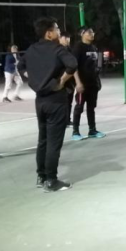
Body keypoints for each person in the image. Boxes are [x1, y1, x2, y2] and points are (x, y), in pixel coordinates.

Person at [18, 17, 80, 192]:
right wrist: (61, 81)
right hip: (56, 100)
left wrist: (34, 79)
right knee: (54, 142)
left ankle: (41, 176)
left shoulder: (31, 49)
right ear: (49, 33)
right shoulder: (57, 49)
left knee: (43, 140)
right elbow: (73, 64)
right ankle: (51, 180)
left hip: (40, 101)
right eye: (57, 28)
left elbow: (20, 66)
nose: (59, 31)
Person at [71, 26, 105, 140]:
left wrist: (97, 81)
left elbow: (94, 65)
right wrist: (78, 82)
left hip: (93, 84)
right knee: (79, 107)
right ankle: (75, 132)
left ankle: (92, 130)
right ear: (82, 34)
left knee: (91, 108)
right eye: (89, 32)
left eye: (92, 32)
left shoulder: (93, 47)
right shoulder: (78, 47)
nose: (92, 34)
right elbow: (73, 67)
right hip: (83, 84)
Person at [59, 31, 75, 126]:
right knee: (61, 101)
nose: (67, 41)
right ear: (60, 38)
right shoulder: (57, 50)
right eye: (65, 38)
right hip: (61, 79)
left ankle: (67, 119)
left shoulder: (69, 50)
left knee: (69, 101)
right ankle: (62, 120)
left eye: (68, 39)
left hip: (70, 80)